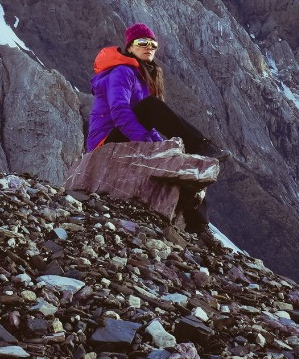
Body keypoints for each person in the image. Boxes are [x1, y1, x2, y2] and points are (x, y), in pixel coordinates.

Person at [65, 23, 221, 238]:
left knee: (182, 161)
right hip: (107, 140)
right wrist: (149, 146)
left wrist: (165, 148)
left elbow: (148, 122)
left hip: (126, 136)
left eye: (153, 44)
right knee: (151, 106)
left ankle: (199, 227)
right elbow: (120, 112)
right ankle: (200, 144)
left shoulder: (141, 78)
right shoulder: (122, 72)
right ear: (130, 47)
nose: (149, 47)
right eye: (142, 43)